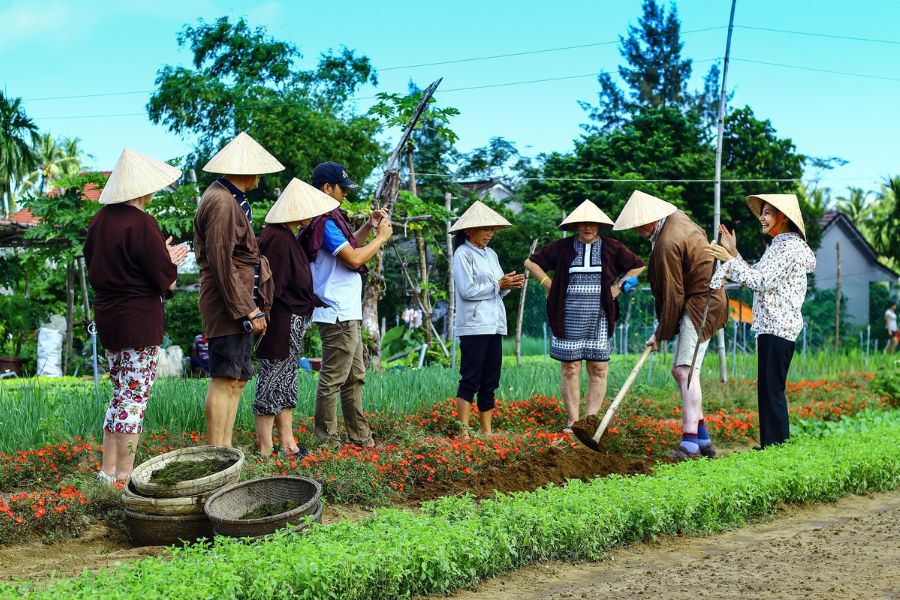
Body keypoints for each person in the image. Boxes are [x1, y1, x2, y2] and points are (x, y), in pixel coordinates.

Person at [83, 149, 188, 483]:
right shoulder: (142, 222)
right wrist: (170, 260)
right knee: (135, 397)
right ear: (143, 189)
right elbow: (163, 276)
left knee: (120, 394)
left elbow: (102, 265)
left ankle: (108, 471)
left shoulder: (99, 221)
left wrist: (162, 257)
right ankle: (125, 475)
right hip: (138, 319)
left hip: (109, 317)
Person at [613, 190, 727, 460]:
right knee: (686, 371)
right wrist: (662, 331)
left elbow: (673, 294)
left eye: (641, 224)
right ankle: (702, 440)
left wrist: (661, 333)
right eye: (634, 226)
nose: (638, 230)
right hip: (703, 299)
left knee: (683, 371)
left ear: (653, 218)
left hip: (702, 303)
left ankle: (689, 443)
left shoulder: (667, 241)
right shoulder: (676, 219)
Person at [524, 200, 644, 433]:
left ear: (599, 225)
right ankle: (573, 422)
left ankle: (590, 423)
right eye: (583, 224)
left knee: (598, 367)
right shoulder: (561, 247)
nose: (588, 228)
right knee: (571, 367)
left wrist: (620, 286)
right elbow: (530, 262)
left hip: (600, 315)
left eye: (592, 224)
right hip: (567, 315)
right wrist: (547, 284)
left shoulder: (612, 247)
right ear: (576, 225)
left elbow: (637, 266)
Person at [707, 194, 816, 447]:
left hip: (778, 326)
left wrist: (730, 259)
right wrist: (734, 254)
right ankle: (772, 445)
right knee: (769, 391)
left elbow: (759, 282)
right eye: (762, 212)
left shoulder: (788, 248)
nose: (762, 218)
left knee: (772, 392)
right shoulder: (779, 246)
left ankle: (776, 448)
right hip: (773, 326)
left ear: (783, 217)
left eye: (767, 213)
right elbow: (756, 274)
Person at [194, 131, 280, 447]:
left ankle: (226, 449)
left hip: (241, 300)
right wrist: (249, 308)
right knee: (224, 378)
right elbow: (221, 261)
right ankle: (217, 451)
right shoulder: (220, 201)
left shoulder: (233, 199)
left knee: (237, 379)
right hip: (227, 303)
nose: (259, 176)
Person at [300, 162, 392, 449]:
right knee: (334, 378)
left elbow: (349, 246)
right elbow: (353, 258)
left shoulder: (329, 220)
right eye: (342, 189)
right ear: (326, 188)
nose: (345, 196)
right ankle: (327, 441)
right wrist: (382, 237)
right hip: (336, 310)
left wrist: (368, 226)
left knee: (355, 377)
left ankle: (360, 437)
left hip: (345, 311)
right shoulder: (324, 222)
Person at [254, 178, 338, 457]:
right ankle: (265, 448)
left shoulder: (285, 235)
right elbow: (272, 287)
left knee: (286, 380)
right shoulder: (277, 239)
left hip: (290, 319)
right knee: (272, 379)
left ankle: (287, 442)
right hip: (280, 320)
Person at [450, 200, 525, 437]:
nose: (490, 234)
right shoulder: (462, 254)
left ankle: (486, 431)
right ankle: (463, 431)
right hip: (474, 325)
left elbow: (497, 288)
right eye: (486, 229)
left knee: (490, 380)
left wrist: (508, 285)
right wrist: (497, 284)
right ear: (469, 230)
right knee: (470, 378)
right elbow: (467, 290)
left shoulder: (490, 254)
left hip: (494, 324)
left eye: (492, 230)